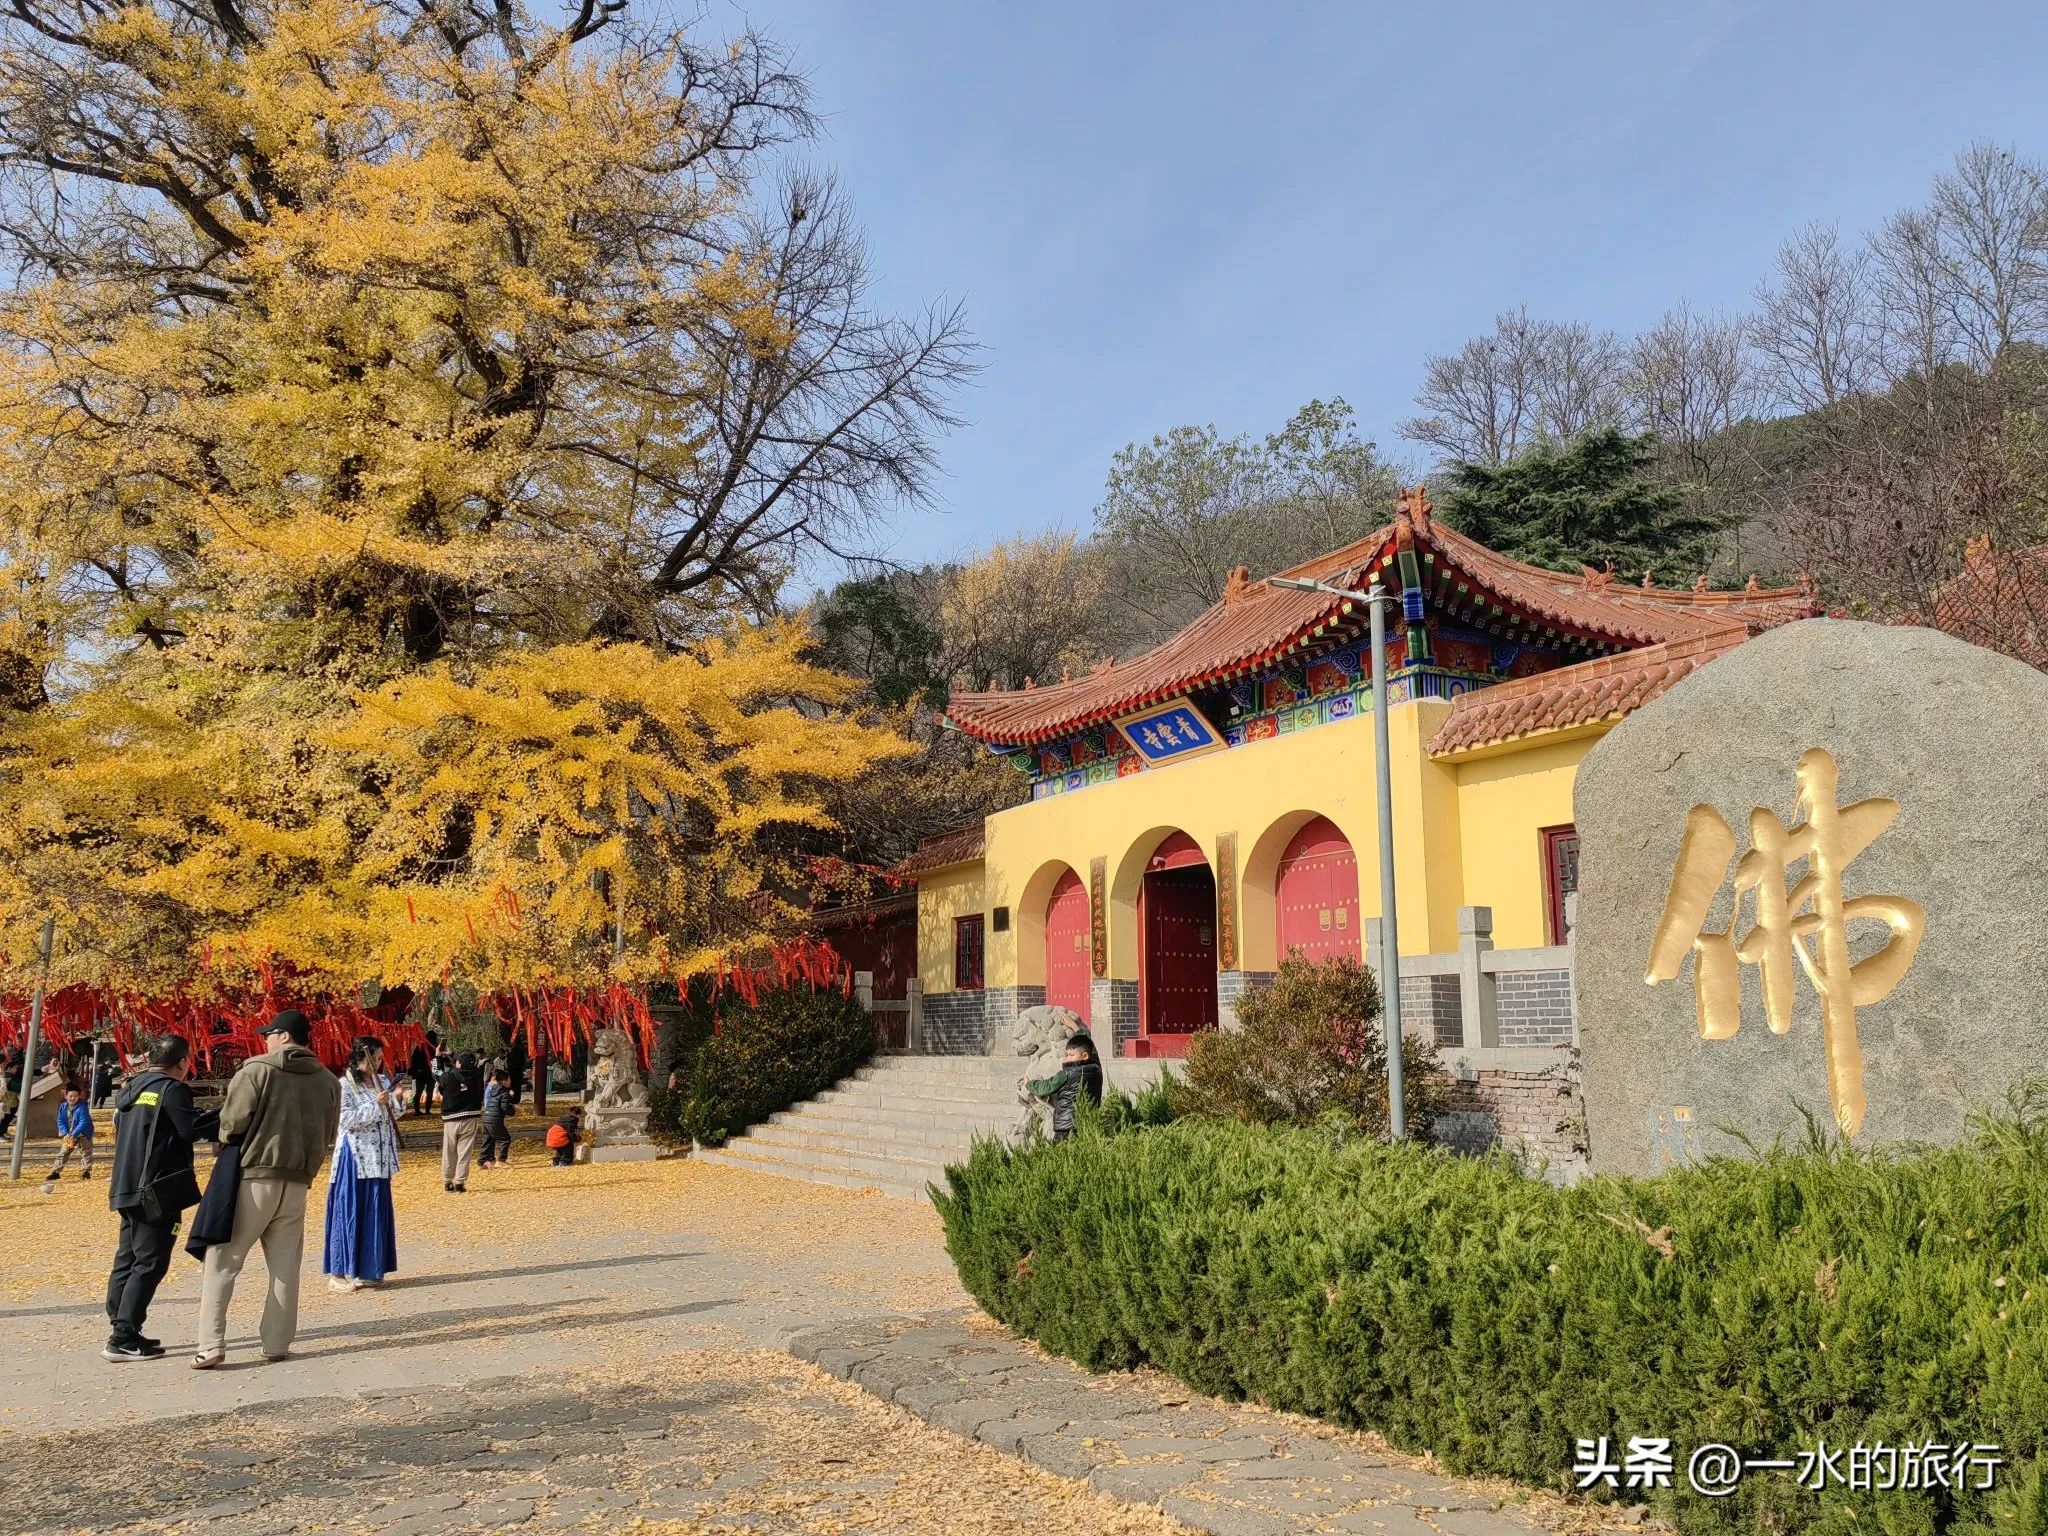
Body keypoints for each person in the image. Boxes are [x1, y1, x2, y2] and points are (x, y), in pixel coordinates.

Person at [192, 1010, 341, 1370]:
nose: (265, 1040)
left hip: (254, 1176)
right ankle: (277, 1343)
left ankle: (210, 1345)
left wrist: (226, 1135)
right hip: (297, 1180)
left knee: (223, 1260)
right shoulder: (328, 1081)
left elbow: (232, 1122)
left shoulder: (257, 1070)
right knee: (285, 1266)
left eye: (269, 1034)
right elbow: (331, 1133)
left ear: (285, 1036)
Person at [104, 1036, 220, 1361]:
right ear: (182, 1061)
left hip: (126, 1185)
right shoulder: (172, 1089)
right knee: (150, 1262)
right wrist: (226, 1118)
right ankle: (123, 1337)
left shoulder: (133, 1088)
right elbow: (190, 1129)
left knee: (128, 1258)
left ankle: (121, 1327)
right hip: (156, 1189)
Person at [324, 1036, 400, 1293]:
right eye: (372, 1058)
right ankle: (339, 1271)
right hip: (355, 1157)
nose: (377, 1063)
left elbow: (393, 1113)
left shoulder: (383, 1081)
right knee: (350, 1208)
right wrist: (375, 1104)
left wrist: (396, 1100)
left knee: (374, 1211)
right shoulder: (345, 1085)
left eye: (379, 1058)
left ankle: (370, 1269)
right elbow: (345, 1119)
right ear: (358, 1059)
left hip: (380, 1158)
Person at [1026, 1030, 1105, 1142]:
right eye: (1067, 1055)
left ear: (1085, 1055)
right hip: (1088, 1122)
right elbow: (1094, 1051)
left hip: (1066, 1126)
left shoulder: (1067, 1074)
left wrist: (1029, 1084)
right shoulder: (1096, 1068)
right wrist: (1077, 1029)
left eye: (1072, 1055)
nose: (1068, 1058)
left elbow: (1046, 1087)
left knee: (1061, 1151)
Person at [437, 1049, 484, 1193]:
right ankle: (459, 1182)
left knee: (449, 1151)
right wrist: (453, 1055)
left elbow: (436, 1073)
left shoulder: (449, 1076)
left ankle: (447, 1181)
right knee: (465, 1152)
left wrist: (438, 1057)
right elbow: (465, 1065)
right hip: (470, 1117)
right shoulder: (477, 1074)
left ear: (459, 1063)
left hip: (451, 1118)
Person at [43, 1085, 95, 1187]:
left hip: (83, 1133)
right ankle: (56, 1171)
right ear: (66, 1096)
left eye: (75, 1096)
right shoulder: (63, 1107)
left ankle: (86, 1171)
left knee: (86, 1151)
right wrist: (65, 1133)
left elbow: (83, 1122)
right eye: (70, 1096)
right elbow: (60, 1121)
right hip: (69, 1134)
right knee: (64, 1151)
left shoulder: (82, 1107)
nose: (73, 1098)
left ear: (79, 1097)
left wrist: (73, 1134)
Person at [478, 1069, 514, 1169]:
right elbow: (505, 1108)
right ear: (504, 1081)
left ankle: (483, 1161)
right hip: (494, 1119)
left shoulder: (493, 1090)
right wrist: (513, 1111)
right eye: (509, 1079)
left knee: (488, 1139)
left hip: (486, 1118)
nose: (510, 1081)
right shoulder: (504, 1093)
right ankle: (501, 1161)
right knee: (505, 1139)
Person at [408, 1030, 438, 1117]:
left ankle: (417, 1111)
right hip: (430, 1073)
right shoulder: (435, 1048)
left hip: (420, 1073)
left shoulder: (420, 1046)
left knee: (419, 1092)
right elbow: (437, 1060)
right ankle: (427, 1111)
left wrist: (413, 1071)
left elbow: (413, 1060)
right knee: (429, 1092)